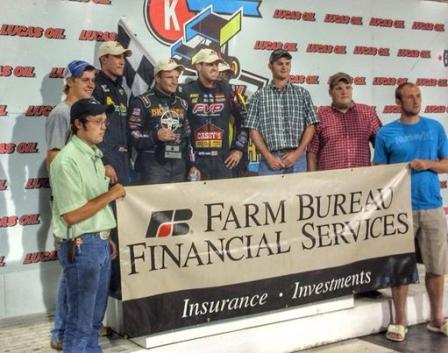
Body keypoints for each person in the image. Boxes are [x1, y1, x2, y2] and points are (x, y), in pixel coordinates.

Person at [49, 97, 125, 353]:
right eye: (97, 122)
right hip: (81, 246)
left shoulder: (94, 155)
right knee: (81, 324)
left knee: (93, 321)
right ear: (79, 124)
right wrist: (112, 194)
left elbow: (92, 205)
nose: (104, 127)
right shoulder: (67, 161)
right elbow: (71, 215)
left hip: (97, 243)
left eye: (105, 122)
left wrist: (105, 235)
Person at [374, 82, 448, 341]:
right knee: (400, 269)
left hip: (432, 206)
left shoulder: (435, 127)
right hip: (400, 210)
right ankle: (400, 321)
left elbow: (446, 164)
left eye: (418, 96)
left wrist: (428, 163)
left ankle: (438, 319)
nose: (416, 101)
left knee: (437, 267)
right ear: (398, 102)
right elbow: (379, 172)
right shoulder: (386, 133)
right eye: (410, 97)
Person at [45, 59, 96, 350]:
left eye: (92, 79)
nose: (90, 84)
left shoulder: (85, 111)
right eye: (84, 79)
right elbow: (54, 158)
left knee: (77, 269)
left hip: (84, 200)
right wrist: (67, 203)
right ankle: (61, 332)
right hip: (71, 205)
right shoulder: (61, 113)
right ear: (69, 82)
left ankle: (66, 331)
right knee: (72, 269)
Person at [244, 49, 318, 175]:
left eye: (287, 63)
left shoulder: (302, 94)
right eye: (280, 63)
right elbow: (253, 129)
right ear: (270, 66)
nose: (284, 67)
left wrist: (297, 153)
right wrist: (268, 156)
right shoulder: (258, 96)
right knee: (270, 195)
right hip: (270, 161)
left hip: (298, 159)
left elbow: (311, 125)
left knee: (299, 194)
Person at [180, 48, 248, 180]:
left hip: (223, 161)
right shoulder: (186, 91)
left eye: (216, 64)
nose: (215, 68)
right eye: (210, 64)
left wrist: (239, 149)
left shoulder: (228, 90)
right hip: (196, 161)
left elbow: (244, 119)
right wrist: (190, 163)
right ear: (198, 66)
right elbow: (181, 128)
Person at [128, 58, 190, 183]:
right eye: (169, 77)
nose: (174, 82)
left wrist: (191, 163)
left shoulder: (182, 103)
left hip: (179, 165)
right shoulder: (143, 102)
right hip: (152, 167)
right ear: (157, 78)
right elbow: (131, 134)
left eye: (176, 78)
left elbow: (188, 135)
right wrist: (155, 136)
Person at [307, 72, 382, 171]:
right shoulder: (320, 115)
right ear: (330, 92)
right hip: (329, 180)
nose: (344, 92)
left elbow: (382, 145)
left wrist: (378, 167)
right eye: (339, 88)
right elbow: (312, 153)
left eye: (348, 87)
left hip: (361, 179)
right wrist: (312, 180)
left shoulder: (367, 113)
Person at [93, 40, 133, 185]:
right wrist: (104, 162)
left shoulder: (122, 90)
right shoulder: (95, 87)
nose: (122, 62)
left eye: (123, 57)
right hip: (107, 161)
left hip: (123, 160)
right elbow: (92, 129)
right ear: (104, 59)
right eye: (117, 57)